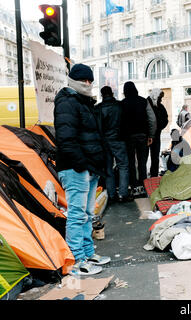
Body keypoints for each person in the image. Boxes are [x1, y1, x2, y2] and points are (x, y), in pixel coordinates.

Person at [54, 63, 110, 276]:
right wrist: (82, 166)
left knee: (86, 214)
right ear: (73, 81)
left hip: (88, 167)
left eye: (90, 81)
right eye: (83, 81)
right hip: (76, 168)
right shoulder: (67, 102)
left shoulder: (82, 101)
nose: (87, 84)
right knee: (77, 215)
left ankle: (87, 253)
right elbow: (66, 140)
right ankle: (76, 260)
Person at [96, 86, 132, 203]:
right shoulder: (120, 105)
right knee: (123, 166)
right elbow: (126, 123)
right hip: (119, 140)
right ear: (112, 93)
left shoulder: (98, 108)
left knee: (108, 168)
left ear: (102, 95)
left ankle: (111, 195)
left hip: (105, 142)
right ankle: (123, 194)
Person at [121, 81, 157, 197]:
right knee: (142, 162)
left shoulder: (122, 103)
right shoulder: (143, 101)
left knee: (131, 162)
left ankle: (134, 186)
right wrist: (151, 135)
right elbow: (152, 119)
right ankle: (143, 187)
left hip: (128, 137)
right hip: (142, 136)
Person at [147, 88, 168, 177]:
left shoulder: (160, 106)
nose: (161, 99)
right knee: (143, 158)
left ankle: (154, 176)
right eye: (159, 98)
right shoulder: (146, 104)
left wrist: (159, 127)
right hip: (146, 136)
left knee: (155, 157)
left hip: (156, 135)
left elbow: (165, 119)